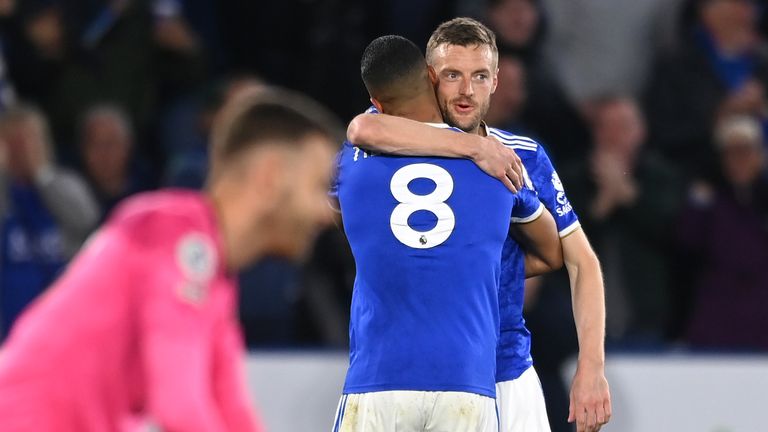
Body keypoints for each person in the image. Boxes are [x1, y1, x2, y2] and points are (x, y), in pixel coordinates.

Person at [0, 87, 342, 431]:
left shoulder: (213, 276)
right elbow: (179, 408)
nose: (326, 213)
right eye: (317, 186)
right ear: (270, 176)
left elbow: (233, 412)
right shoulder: (176, 237)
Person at [347, 18, 611, 432]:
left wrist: (591, 367)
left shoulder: (523, 156)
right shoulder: (393, 142)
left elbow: (581, 262)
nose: (466, 91)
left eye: (480, 76)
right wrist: (473, 148)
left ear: (496, 81)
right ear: (429, 77)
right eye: (453, 75)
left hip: (505, 368)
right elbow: (362, 127)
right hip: (412, 371)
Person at [0, 104, 99, 339]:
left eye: (29, 140)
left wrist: (41, 176)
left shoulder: (66, 184)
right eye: (13, 142)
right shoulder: (4, 192)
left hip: (63, 322)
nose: (22, 149)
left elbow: (85, 219)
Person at [677, 114, 768, 350]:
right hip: (719, 313)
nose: (740, 160)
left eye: (746, 150)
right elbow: (688, 241)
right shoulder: (707, 198)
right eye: (732, 152)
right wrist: (700, 198)